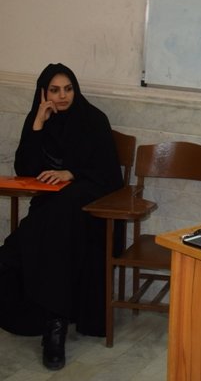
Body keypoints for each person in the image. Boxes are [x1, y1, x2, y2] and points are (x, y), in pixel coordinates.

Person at [0, 63, 123, 370]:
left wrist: (72, 173)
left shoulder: (94, 120)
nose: (63, 96)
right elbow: (25, 169)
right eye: (54, 90)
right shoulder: (40, 119)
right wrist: (38, 124)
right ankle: (52, 321)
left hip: (89, 213)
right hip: (51, 214)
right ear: (43, 93)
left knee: (61, 210)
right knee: (50, 235)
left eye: (68, 89)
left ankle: (55, 330)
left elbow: (110, 175)